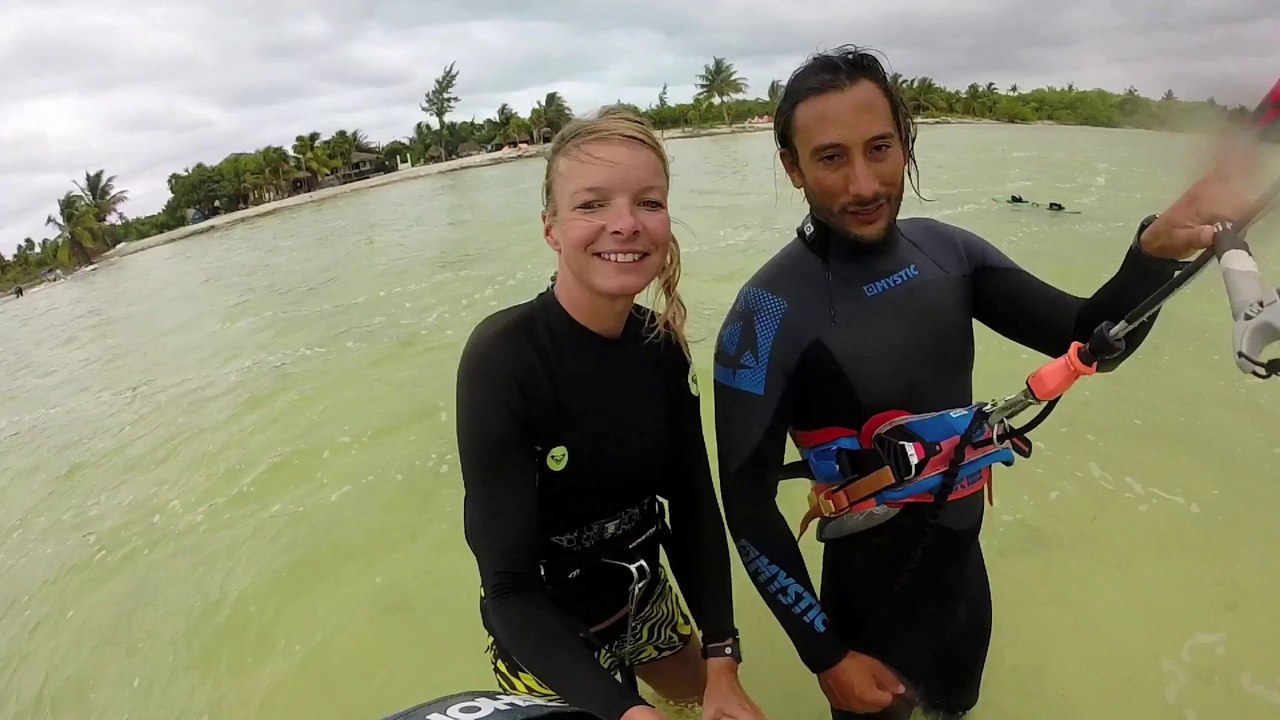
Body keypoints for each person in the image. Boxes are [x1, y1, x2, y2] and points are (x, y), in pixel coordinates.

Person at [711, 45, 1255, 720]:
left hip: (964, 585)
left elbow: (1091, 341)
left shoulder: (949, 253)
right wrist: (824, 657)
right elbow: (747, 505)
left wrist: (1150, 256)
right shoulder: (765, 315)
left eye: (880, 148)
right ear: (792, 166)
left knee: (958, 709)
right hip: (867, 612)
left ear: (905, 144)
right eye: (830, 157)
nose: (862, 183)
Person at [455, 107, 767, 720]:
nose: (624, 225)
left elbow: (695, 509)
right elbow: (509, 589)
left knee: (701, 706)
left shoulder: (661, 346)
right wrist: (624, 712)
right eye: (592, 205)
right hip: (545, 636)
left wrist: (721, 656)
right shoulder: (503, 360)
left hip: (643, 597)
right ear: (551, 228)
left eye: (648, 203)